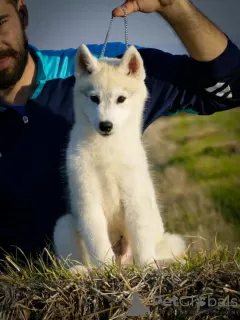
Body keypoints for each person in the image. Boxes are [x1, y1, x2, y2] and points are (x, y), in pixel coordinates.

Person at [0, 0, 239, 262]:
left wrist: (175, 6)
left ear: (22, 14)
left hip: (127, 274)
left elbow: (230, 88)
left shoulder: (106, 69)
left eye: (0, 24)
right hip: (32, 285)